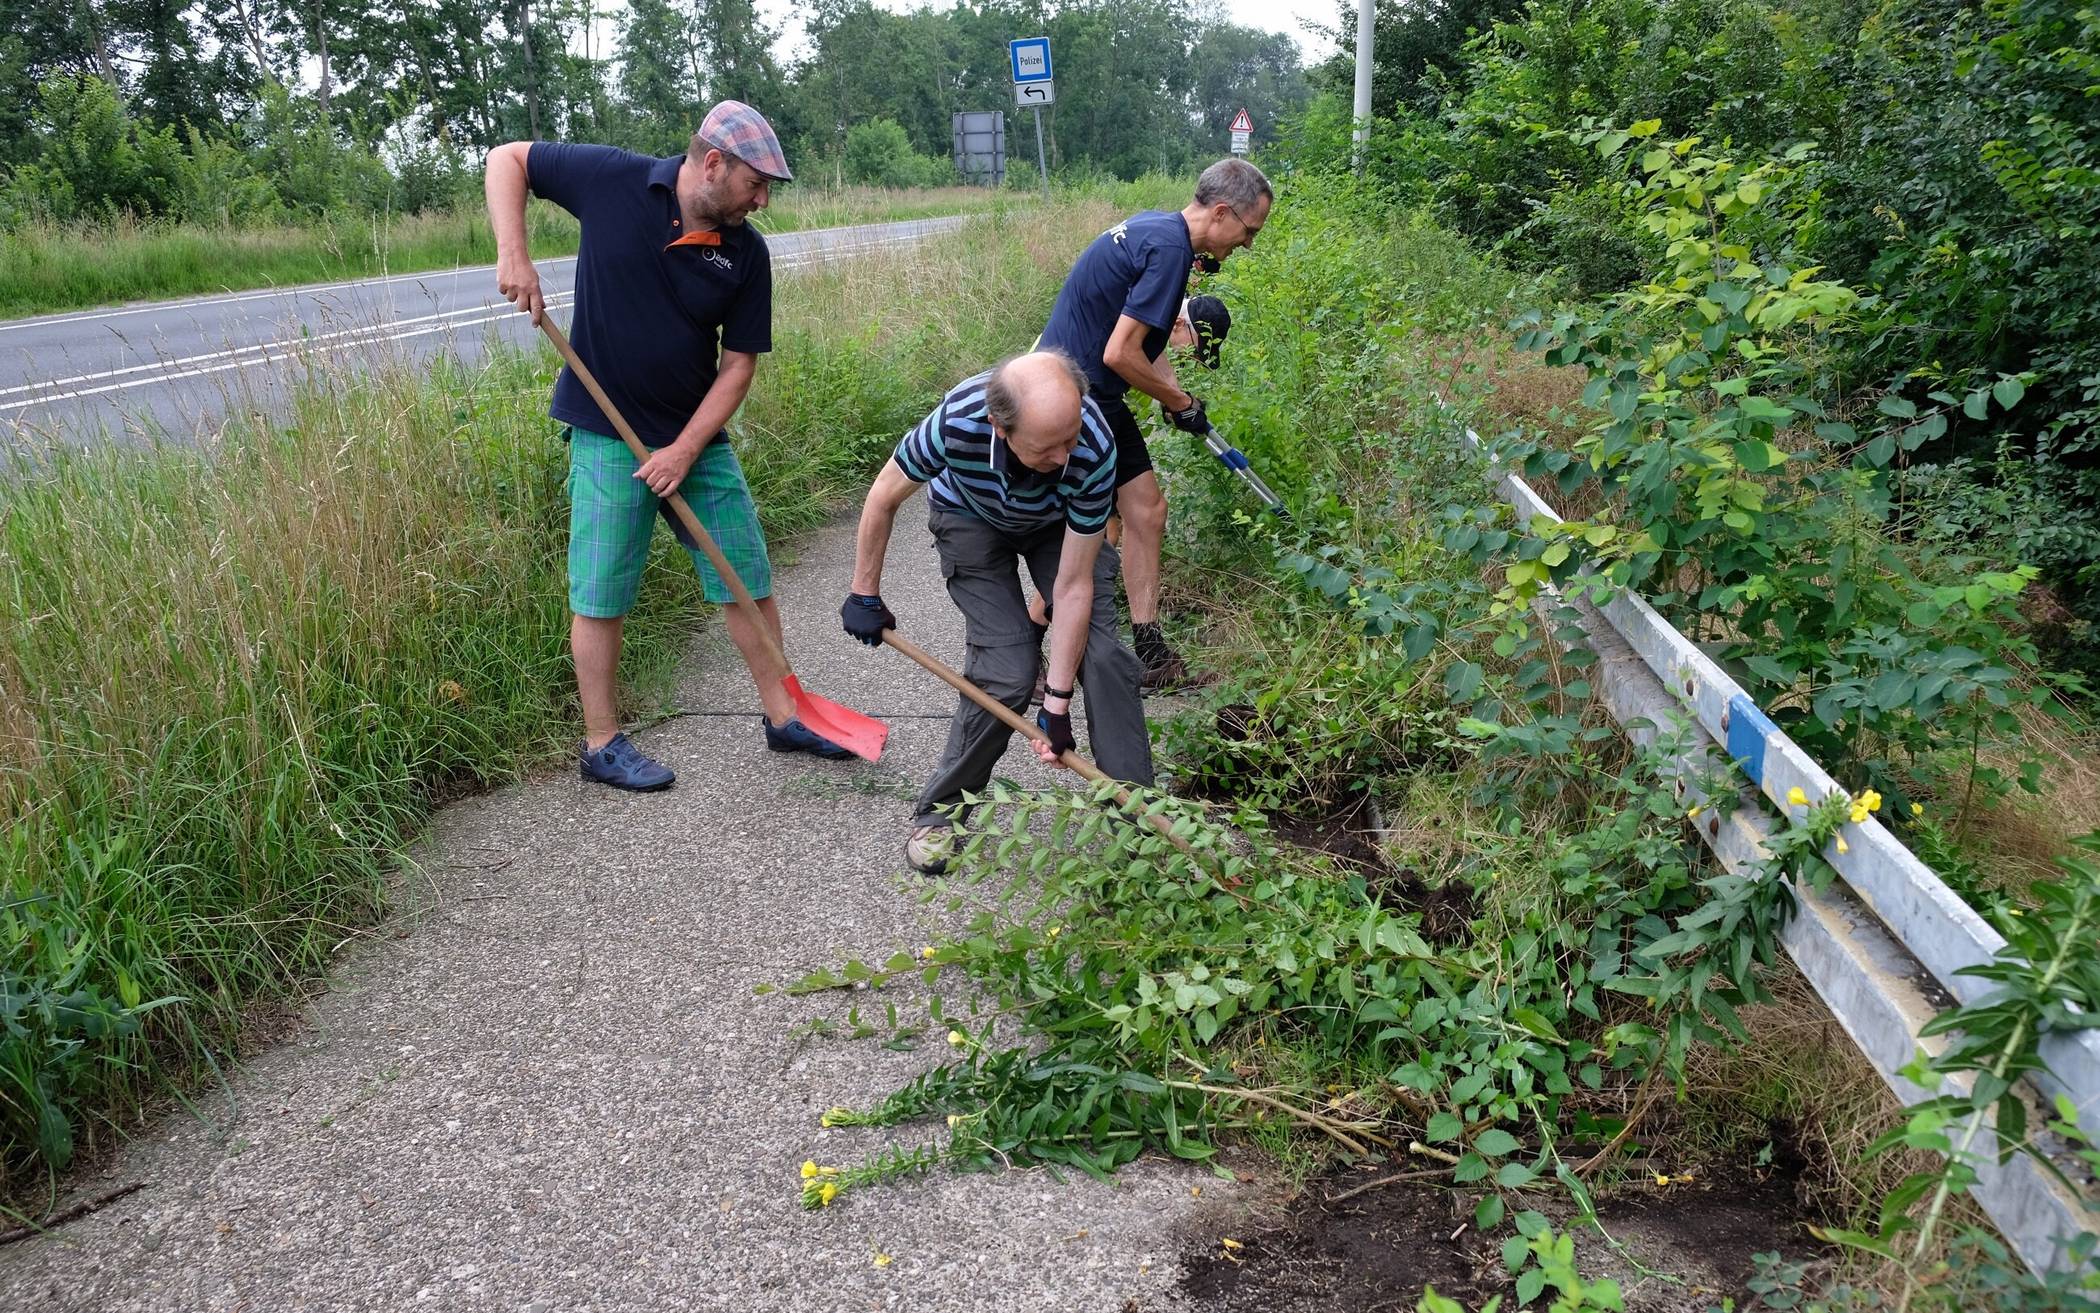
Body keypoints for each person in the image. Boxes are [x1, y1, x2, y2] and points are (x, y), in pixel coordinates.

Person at [486, 100, 852, 792]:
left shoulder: (746, 254)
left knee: (744, 572)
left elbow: (738, 364)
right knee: (601, 592)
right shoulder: (610, 180)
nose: (763, 199)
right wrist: (516, 253)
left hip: (697, 440)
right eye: (755, 183)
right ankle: (601, 743)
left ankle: (785, 713)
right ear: (712, 163)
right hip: (606, 434)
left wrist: (685, 448)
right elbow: (508, 158)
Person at [840, 352, 1152, 875]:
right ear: (999, 427)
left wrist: (1055, 704)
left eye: (1069, 437)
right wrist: (864, 593)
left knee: (1103, 657)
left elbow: (1072, 586)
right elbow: (883, 495)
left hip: (1059, 526)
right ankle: (941, 814)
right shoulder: (955, 422)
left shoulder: (1093, 445)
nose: (1063, 455)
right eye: (1046, 447)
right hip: (969, 515)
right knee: (1004, 668)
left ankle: (1140, 816)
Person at [1038, 158, 1271, 691]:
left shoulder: (1155, 229)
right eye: (1248, 231)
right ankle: (1036, 652)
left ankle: (1150, 653)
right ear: (1220, 213)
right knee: (1090, 526)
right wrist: (1179, 399)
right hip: (1080, 396)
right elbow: (1120, 353)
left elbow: (1145, 341)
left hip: (1078, 385)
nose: (1248, 244)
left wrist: (1172, 397)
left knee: (1145, 512)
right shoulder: (1170, 252)